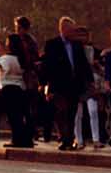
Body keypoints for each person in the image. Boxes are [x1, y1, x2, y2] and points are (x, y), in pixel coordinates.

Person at [40, 18, 93, 152]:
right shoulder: (52, 44)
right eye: (71, 30)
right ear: (63, 29)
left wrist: (90, 81)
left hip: (74, 85)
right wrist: (44, 83)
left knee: (72, 113)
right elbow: (47, 66)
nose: (73, 33)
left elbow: (83, 64)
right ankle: (65, 139)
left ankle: (69, 139)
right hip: (58, 85)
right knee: (61, 113)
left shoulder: (77, 45)